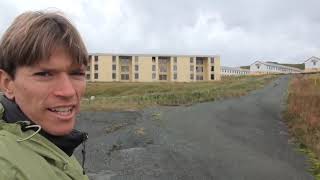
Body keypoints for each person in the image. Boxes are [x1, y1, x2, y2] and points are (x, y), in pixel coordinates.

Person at [0, 10, 89, 179]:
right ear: (7, 84)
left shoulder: (50, 141)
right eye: (45, 74)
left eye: (77, 73)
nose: (68, 91)